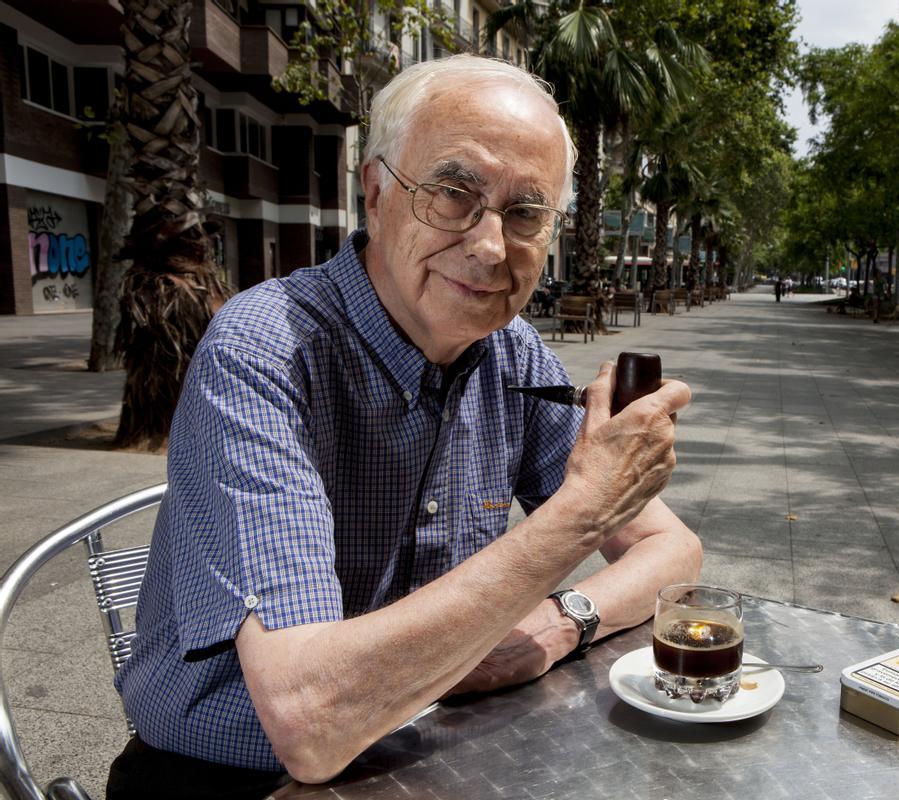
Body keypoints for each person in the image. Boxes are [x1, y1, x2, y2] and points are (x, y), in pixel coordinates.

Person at [108, 55, 701, 799]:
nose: (491, 247)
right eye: (454, 194)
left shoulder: (509, 350)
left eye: (525, 213)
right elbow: (309, 721)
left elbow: (672, 548)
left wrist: (559, 624)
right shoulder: (264, 349)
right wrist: (581, 513)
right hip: (230, 775)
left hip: (428, 744)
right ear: (376, 192)